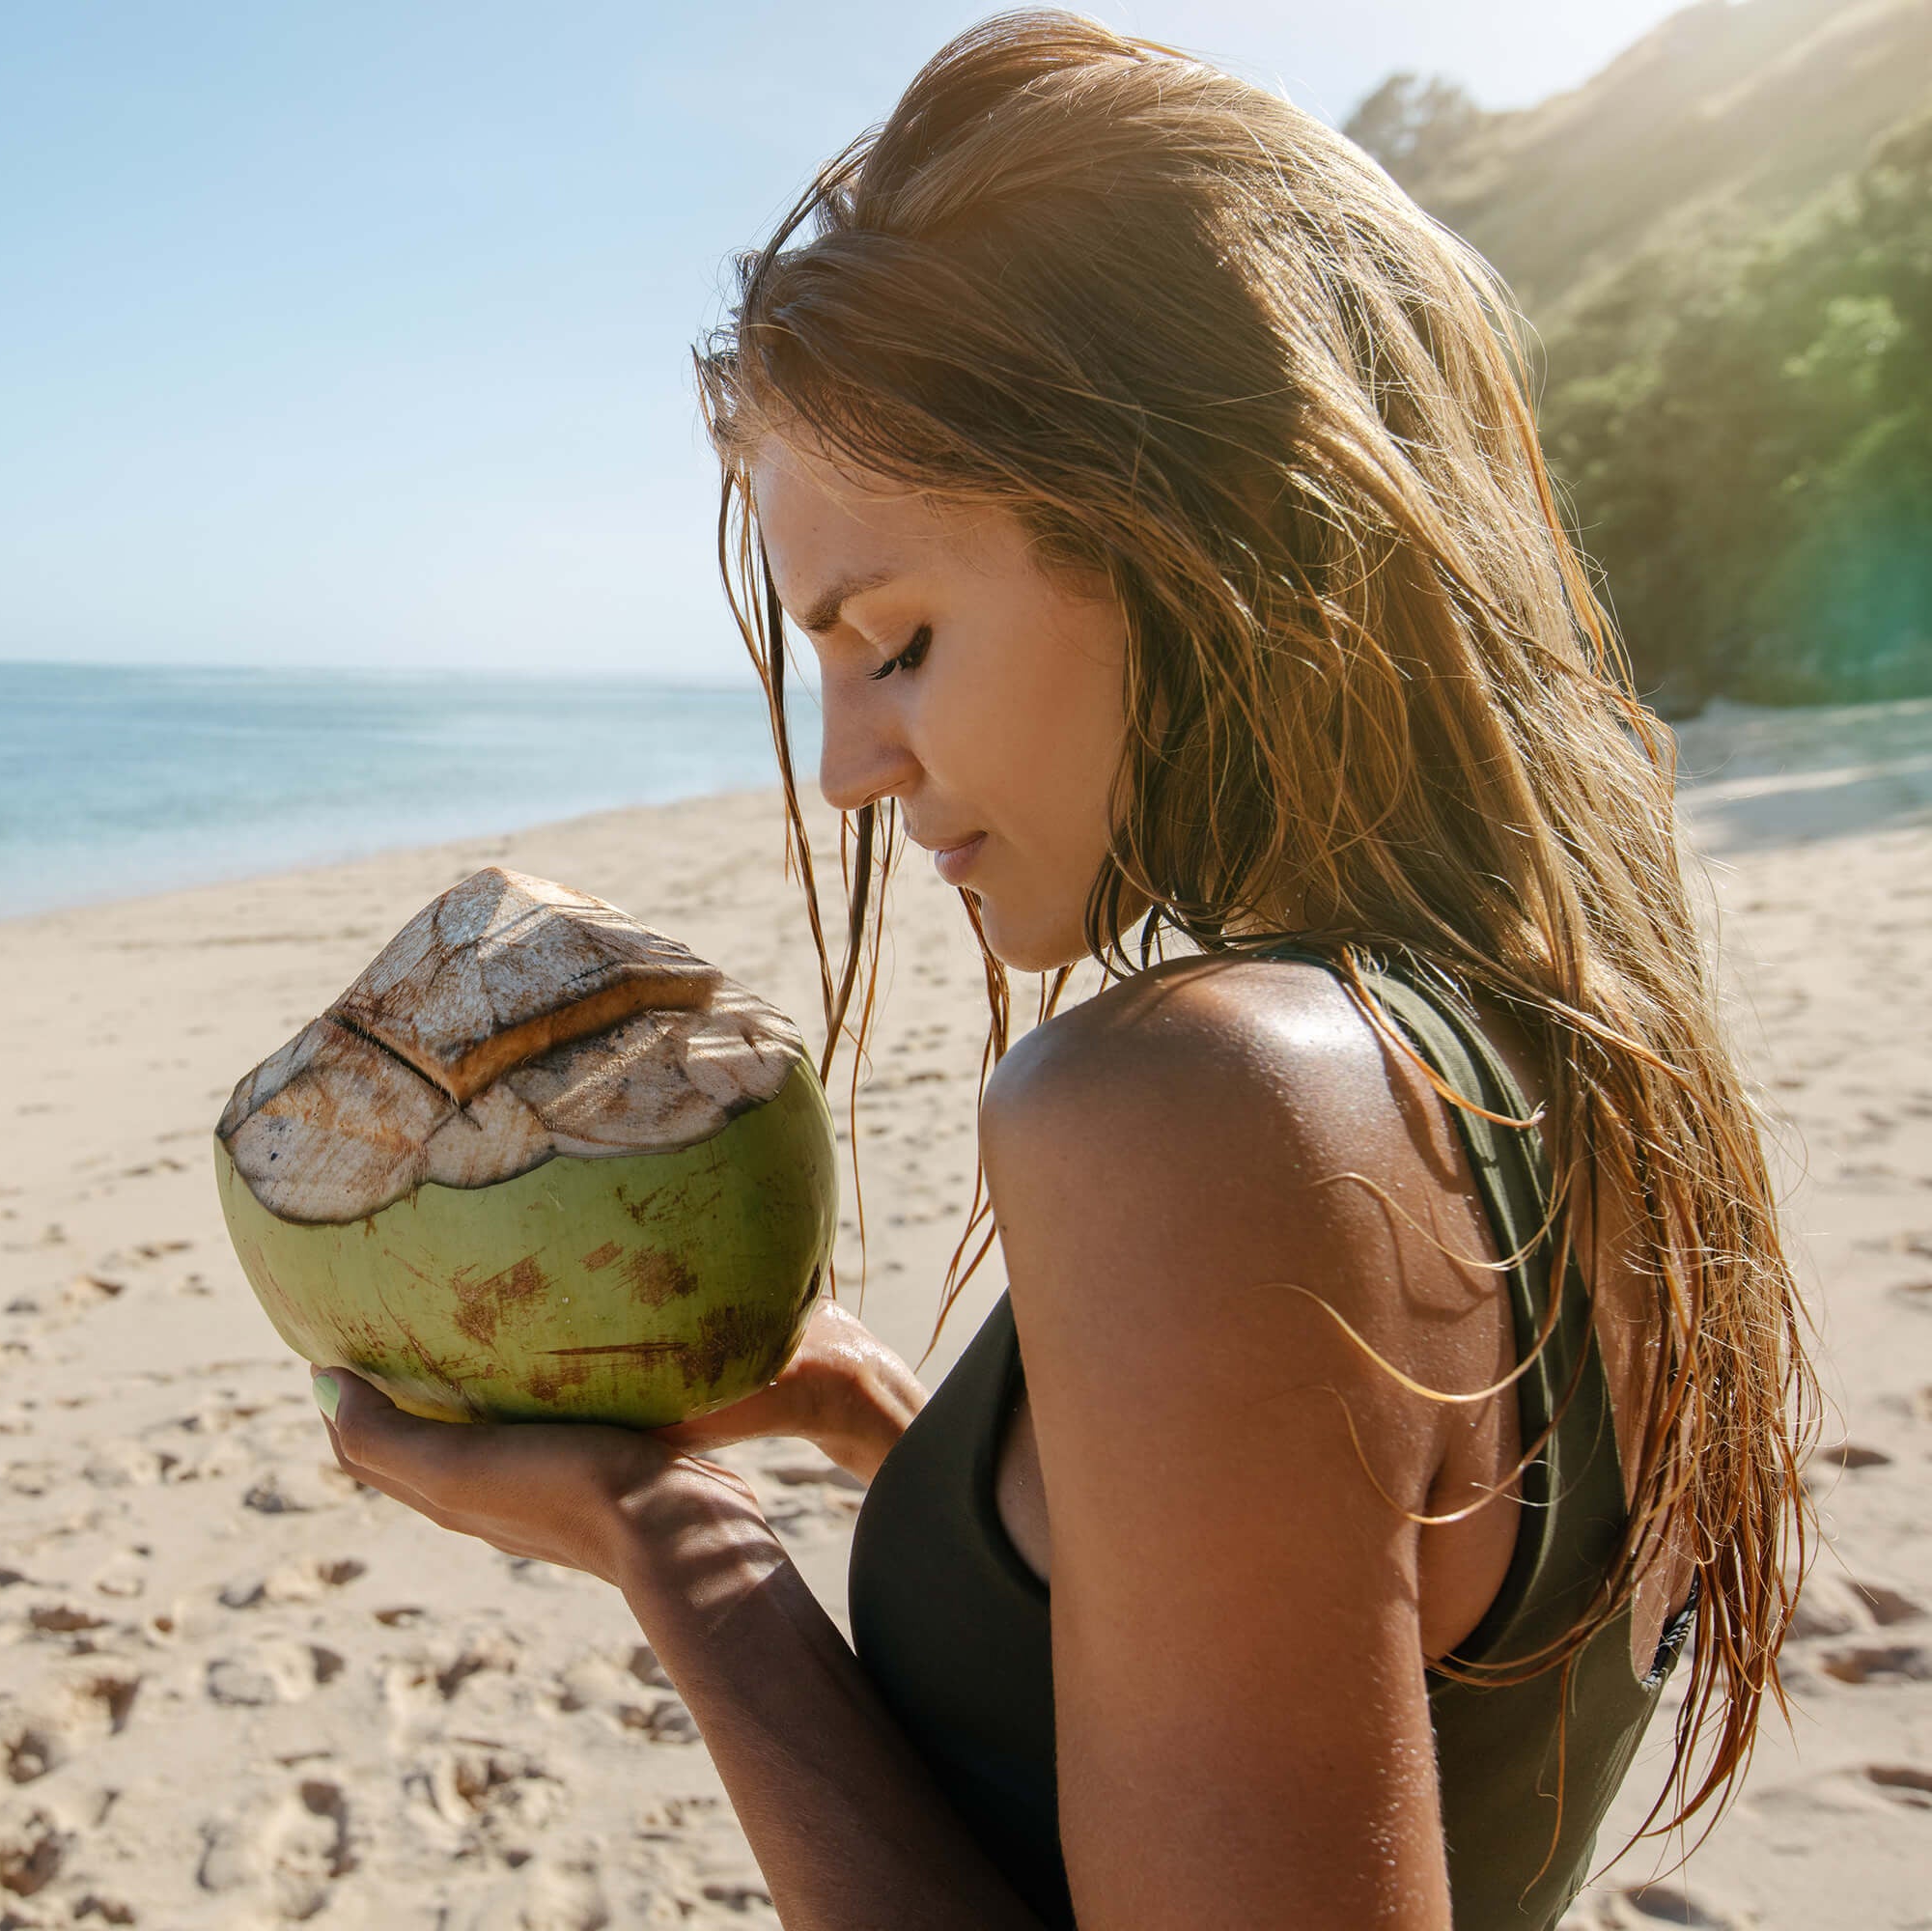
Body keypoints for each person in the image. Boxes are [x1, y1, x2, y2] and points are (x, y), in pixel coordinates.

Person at [303, 12, 1817, 1927]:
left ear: (1203, 535)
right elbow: (1369, 1588)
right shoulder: (1571, 1036)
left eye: (903, 638)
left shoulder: (1199, 1106)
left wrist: (675, 1548)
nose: (850, 769)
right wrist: (905, 1432)